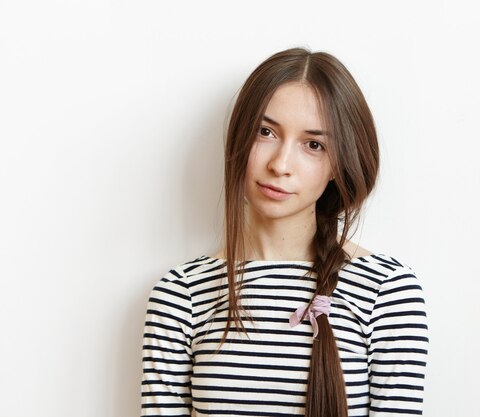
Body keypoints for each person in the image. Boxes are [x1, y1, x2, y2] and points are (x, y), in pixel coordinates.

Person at [140, 47, 428, 417]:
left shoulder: (386, 291)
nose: (281, 165)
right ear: (238, 138)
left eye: (313, 145)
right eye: (266, 132)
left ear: (339, 165)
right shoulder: (181, 295)